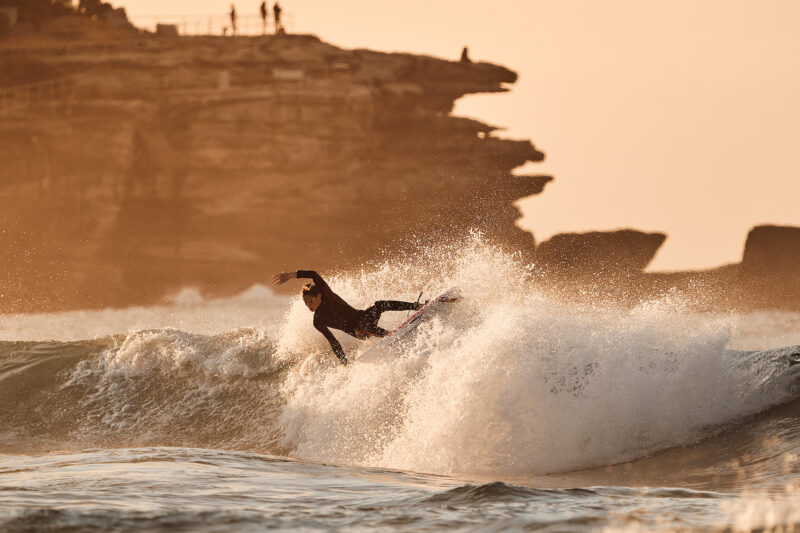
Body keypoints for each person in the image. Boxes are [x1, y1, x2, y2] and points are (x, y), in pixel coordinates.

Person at [272, 270, 425, 365]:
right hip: (359, 331)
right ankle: (389, 336)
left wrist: (290, 276)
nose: (308, 305)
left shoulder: (327, 295)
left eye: (310, 301)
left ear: (319, 296)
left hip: (364, 317)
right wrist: (344, 362)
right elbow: (333, 342)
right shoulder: (318, 321)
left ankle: (416, 306)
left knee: (379, 305)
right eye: (306, 303)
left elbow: (313, 274)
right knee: (363, 326)